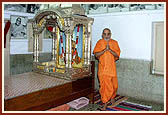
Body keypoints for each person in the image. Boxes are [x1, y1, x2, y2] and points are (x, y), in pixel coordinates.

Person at [93, 28, 121, 110]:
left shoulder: (114, 43)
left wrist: (110, 50)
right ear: (102, 35)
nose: (106, 36)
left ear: (110, 34)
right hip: (103, 70)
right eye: (104, 34)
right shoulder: (99, 42)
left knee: (114, 86)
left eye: (108, 34)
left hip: (112, 68)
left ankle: (112, 97)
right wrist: (104, 50)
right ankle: (104, 103)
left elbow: (117, 55)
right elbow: (96, 54)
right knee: (105, 88)